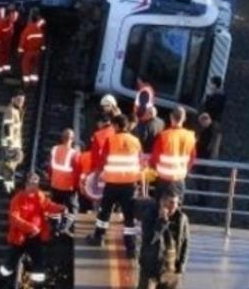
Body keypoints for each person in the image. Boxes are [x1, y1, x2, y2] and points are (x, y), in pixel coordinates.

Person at [88, 114, 143, 258]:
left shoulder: (110, 140)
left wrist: (95, 178)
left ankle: (98, 237)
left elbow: (103, 161)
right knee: (129, 216)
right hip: (130, 185)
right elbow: (141, 162)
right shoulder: (136, 141)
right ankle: (131, 248)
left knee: (104, 212)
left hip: (112, 184)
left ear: (117, 126)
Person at [0, 172, 65, 286]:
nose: (34, 186)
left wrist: (61, 208)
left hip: (35, 238)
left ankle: (37, 285)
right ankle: (2, 283)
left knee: (39, 263)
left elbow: (48, 205)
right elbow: (14, 218)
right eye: (32, 184)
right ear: (26, 184)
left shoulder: (39, 195)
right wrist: (30, 227)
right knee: (9, 264)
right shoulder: (17, 199)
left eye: (36, 184)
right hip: (19, 238)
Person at [137, 190, 190, 289]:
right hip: (150, 267)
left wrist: (181, 265)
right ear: (162, 203)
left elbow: (185, 243)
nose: (174, 207)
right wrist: (162, 221)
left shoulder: (182, 219)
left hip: (170, 269)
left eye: (176, 203)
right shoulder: (149, 215)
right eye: (171, 203)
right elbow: (151, 239)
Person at [150, 106, 197, 201]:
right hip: (180, 180)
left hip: (164, 180)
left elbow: (155, 158)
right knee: (176, 211)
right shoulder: (190, 136)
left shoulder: (164, 136)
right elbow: (192, 158)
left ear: (171, 117)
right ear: (184, 119)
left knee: (160, 209)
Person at [48, 129, 80, 234]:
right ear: (72, 139)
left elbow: (50, 168)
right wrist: (76, 187)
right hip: (68, 187)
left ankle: (55, 226)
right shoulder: (74, 154)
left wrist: (51, 180)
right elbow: (76, 173)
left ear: (62, 138)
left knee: (55, 207)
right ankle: (64, 227)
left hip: (55, 184)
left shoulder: (54, 149)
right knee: (72, 209)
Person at [0, 90, 27, 193]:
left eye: (23, 100)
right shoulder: (11, 110)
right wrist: (10, 143)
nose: (21, 102)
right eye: (19, 100)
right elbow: (7, 127)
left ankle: (1, 182)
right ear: (13, 99)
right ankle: (9, 187)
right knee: (11, 164)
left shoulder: (17, 110)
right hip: (10, 143)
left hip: (12, 143)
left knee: (5, 163)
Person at [18, 8, 46, 85]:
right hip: (37, 52)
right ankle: (34, 82)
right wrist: (42, 50)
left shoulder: (27, 30)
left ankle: (26, 83)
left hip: (28, 52)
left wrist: (19, 53)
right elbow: (43, 41)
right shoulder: (39, 30)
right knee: (35, 66)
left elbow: (22, 42)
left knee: (25, 66)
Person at [0, 5, 17, 74]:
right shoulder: (1, 22)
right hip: (1, 40)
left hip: (7, 39)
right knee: (0, 54)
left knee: (6, 53)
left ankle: (5, 68)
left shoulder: (10, 18)